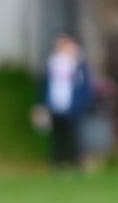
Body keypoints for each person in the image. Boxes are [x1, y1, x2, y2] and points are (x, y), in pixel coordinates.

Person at [37, 33, 92, 169]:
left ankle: (75, 163)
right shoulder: (51, 63)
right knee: (57, 137)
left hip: (73, 106)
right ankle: (58, 164)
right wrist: (41, 104)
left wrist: (83, 102)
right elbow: (43, 85)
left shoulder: (78, 63)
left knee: (74, 136)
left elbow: (85, 86)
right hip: (55, 105)